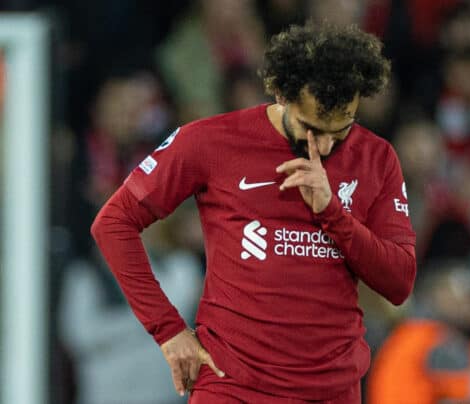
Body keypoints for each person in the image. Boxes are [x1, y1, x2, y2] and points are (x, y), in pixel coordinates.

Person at [91, 22, 417, 403]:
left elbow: (399, 282)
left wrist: (333, 213)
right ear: (280, 93)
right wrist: (168, 331)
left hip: (330, 391)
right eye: (311, 128)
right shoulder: (211, 141)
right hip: (233, 387)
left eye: (342, 129)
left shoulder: (377, 159)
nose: (326, 146)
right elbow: (113, 223)